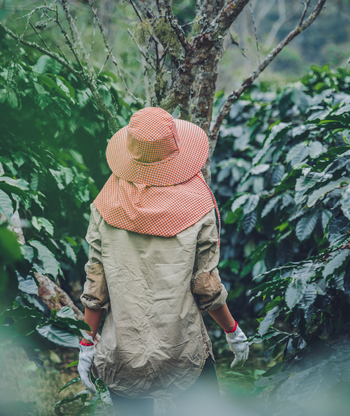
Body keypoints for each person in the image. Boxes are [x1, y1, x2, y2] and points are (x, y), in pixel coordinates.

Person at [77, 107, 249, 416]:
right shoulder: (198, 204)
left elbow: (96, 283)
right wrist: (232, 330)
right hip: (182, 347)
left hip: (123, 350)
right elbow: (206, 286)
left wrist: (87, 345)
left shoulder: (105, 201)